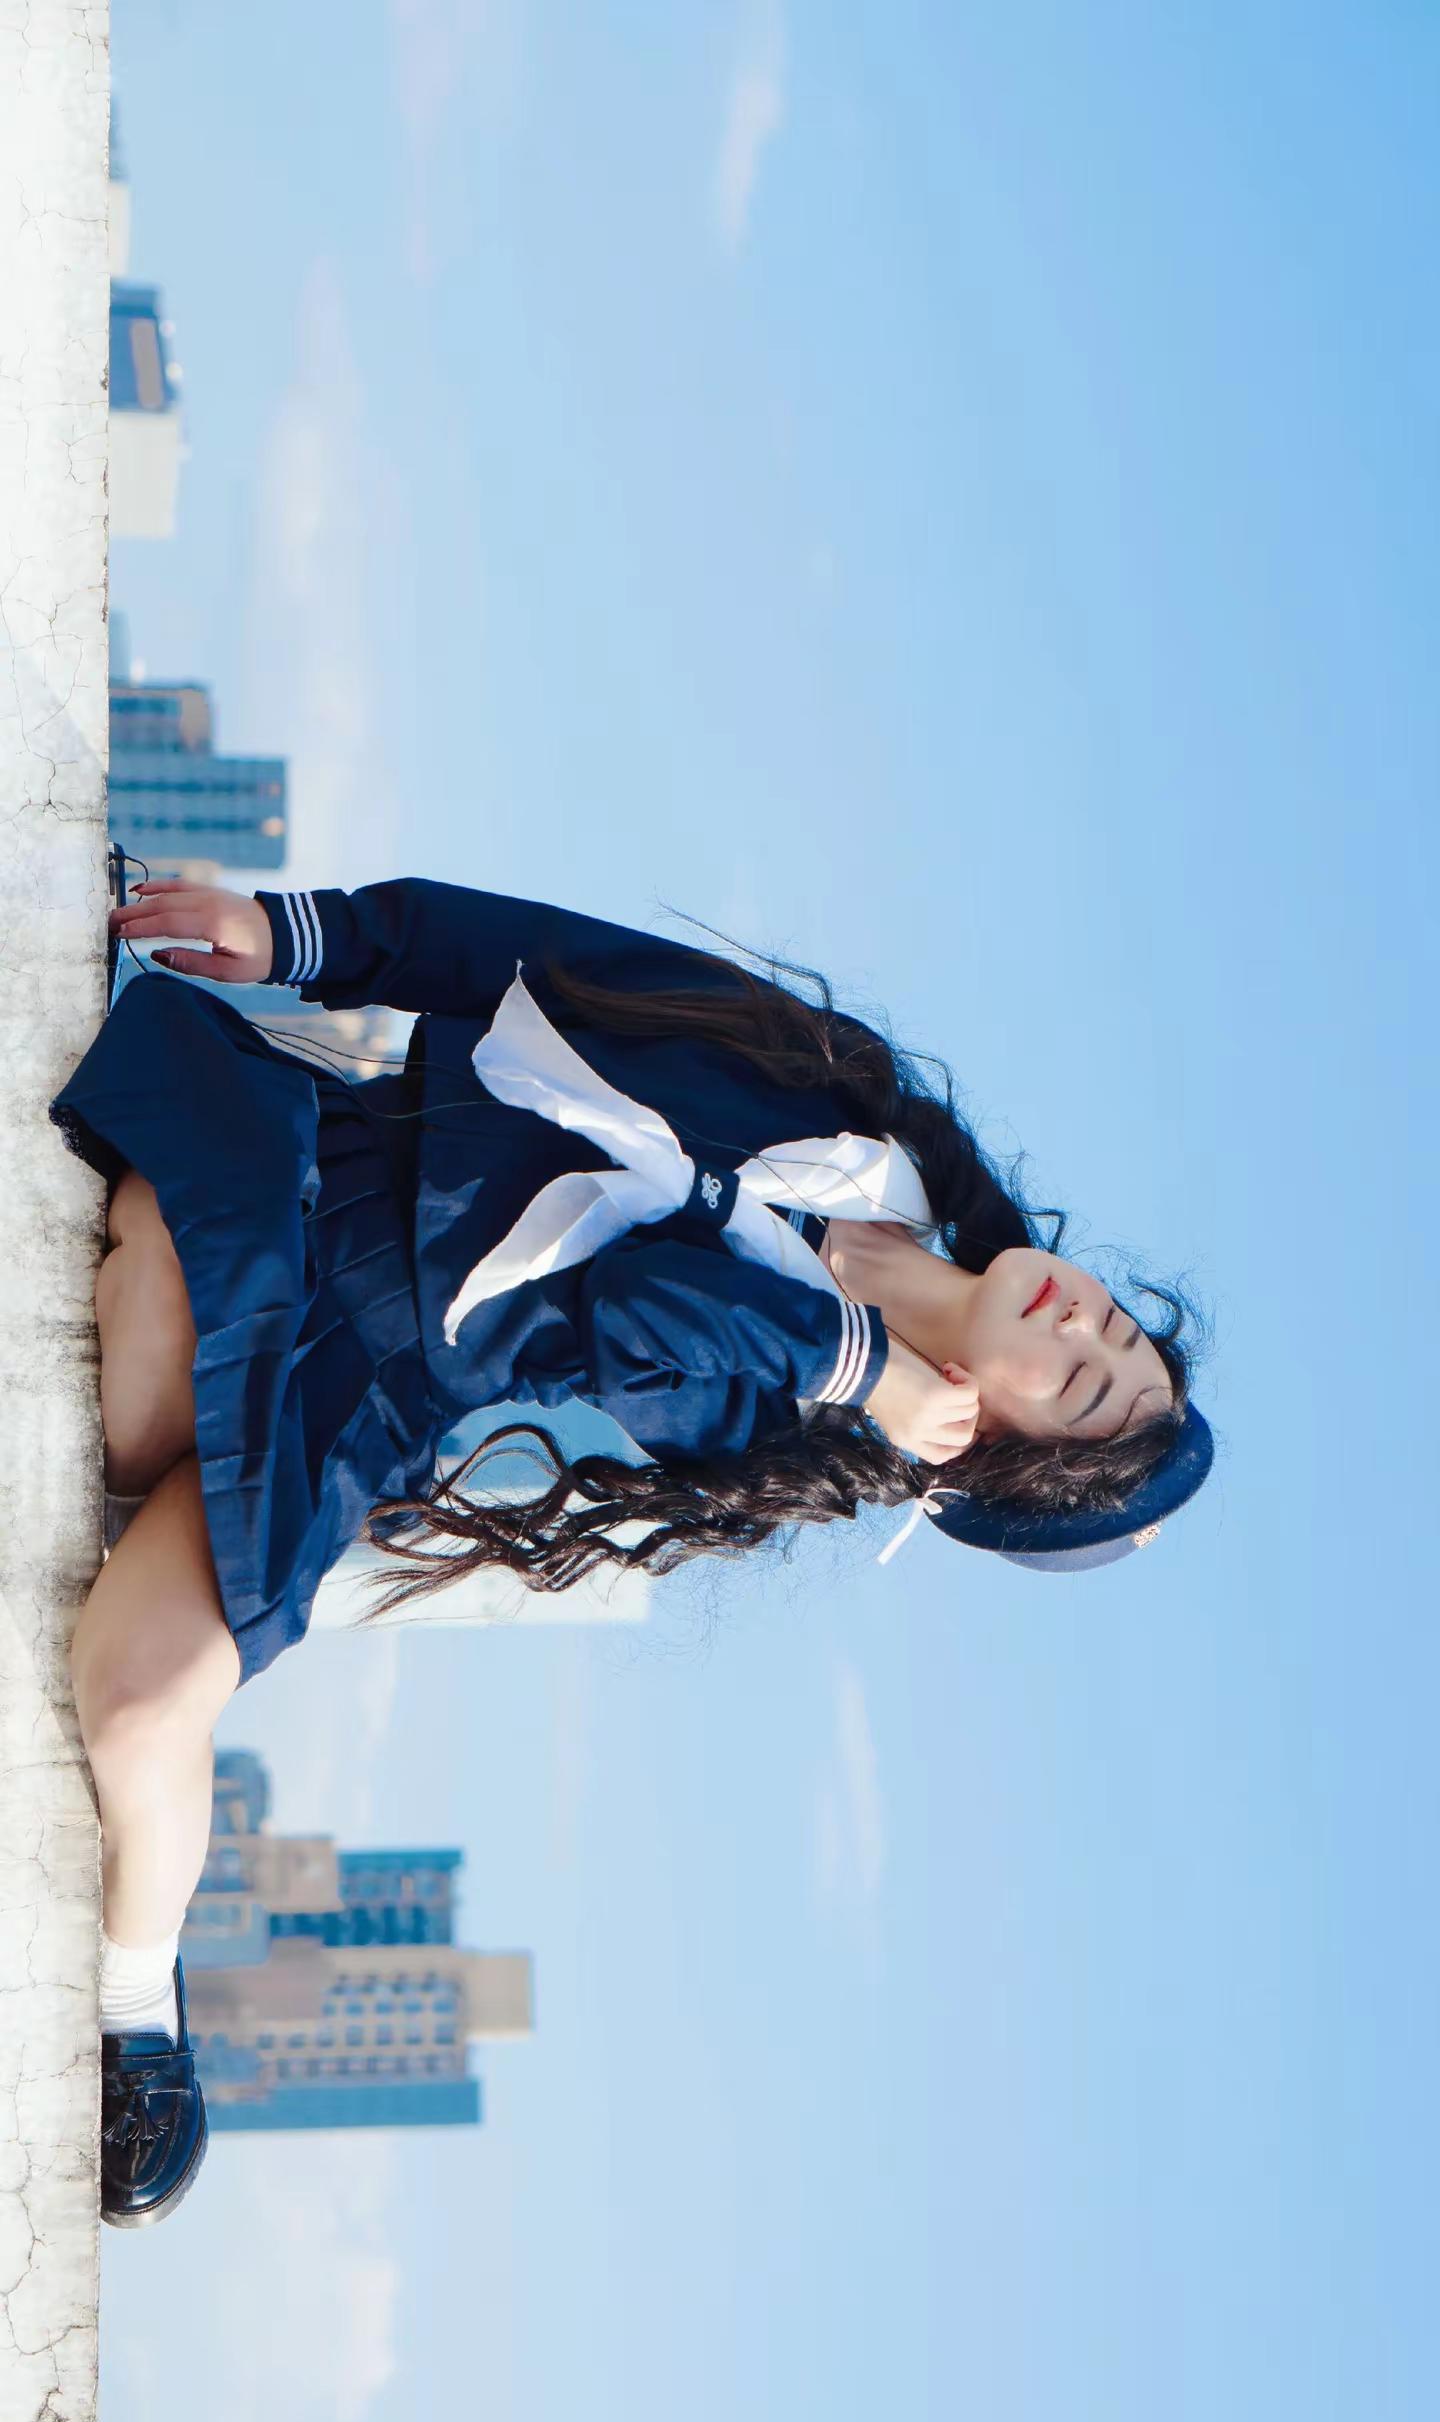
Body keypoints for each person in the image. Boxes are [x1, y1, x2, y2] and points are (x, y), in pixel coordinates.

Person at [50, 871, 1214, 2226]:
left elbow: (624, 1298)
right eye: (1112, 1328)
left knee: (145, 1698)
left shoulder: (774, 1425)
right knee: (147, 1358)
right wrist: (309, 933)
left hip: (373, 1383)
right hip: (334, 1162)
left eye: (1078, 1383)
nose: (1078, 1323)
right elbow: (549, 958)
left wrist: (852, 1363)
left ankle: (140, 2013)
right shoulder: (849, 1099)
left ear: (989, 1451)